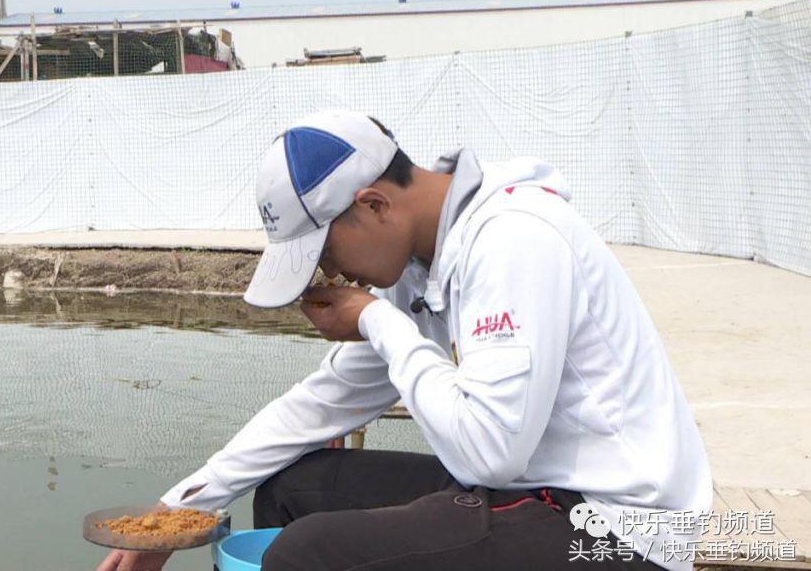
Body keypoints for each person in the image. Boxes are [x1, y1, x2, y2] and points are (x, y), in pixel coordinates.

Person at [96, 110, 712, 571]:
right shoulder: (421, 266)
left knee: (307, 553)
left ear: (373, 204)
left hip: (617, 532)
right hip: (528, 494)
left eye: (326, 251)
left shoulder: (514, 239)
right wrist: (180, 511)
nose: (331, 276)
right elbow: (322, 402)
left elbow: (490, 454)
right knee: (292, 491)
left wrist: (376, 321)